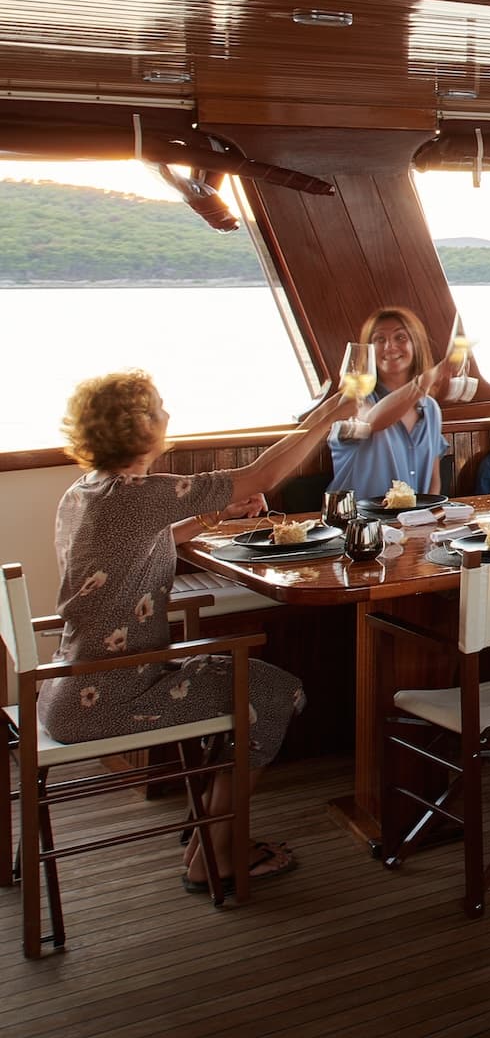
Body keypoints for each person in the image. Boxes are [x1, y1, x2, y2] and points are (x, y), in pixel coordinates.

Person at [45, 371, 355, 891]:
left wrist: (215, 517)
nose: (168, 413)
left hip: (72, 687)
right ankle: (217, 855)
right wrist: (326, 416)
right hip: (114, 691)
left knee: (248, 687)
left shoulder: (89, 491)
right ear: (141, 427)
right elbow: (258, 475)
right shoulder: (136, 492)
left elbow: (148, 543)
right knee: (276, 692)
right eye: (159, 406)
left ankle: (207, 833)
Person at [327, 306, 447, 499]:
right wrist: (431, 377)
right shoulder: (353, 401)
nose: (389, 346)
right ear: (369, 351)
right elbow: (371, 421)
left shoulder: (431, 408)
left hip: (412, 524)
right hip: (359, 525)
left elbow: (434, 484)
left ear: (416, 345)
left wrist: (427, 519)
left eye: (400, 338)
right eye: (379, 340)